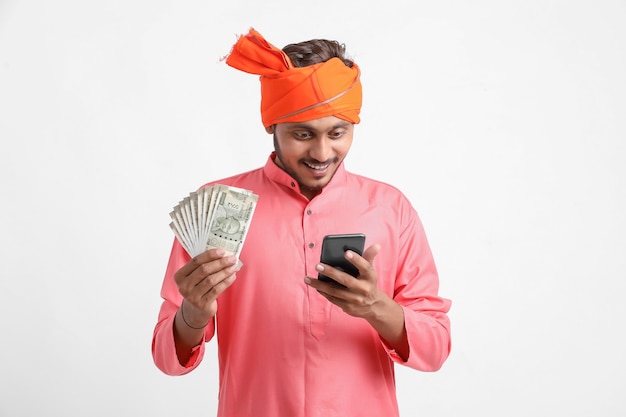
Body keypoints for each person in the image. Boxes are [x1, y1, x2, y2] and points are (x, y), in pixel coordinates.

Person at [152, 28, 452, 417]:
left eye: (337, 133)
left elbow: (436, 349)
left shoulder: (390, 209)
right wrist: (192, 314)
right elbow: (166, 358)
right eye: (302, 134)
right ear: (271, 125)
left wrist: (376, 306)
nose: (322, 152)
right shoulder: (217, 207)